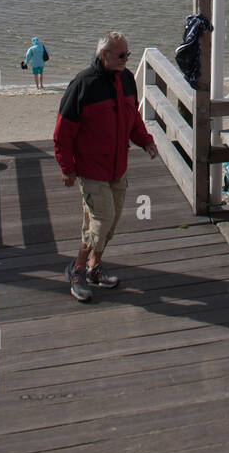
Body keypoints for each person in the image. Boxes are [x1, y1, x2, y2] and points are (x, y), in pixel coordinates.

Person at [54, 31, 158, 302]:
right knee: (101, 222)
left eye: (128, 54)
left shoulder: (126, 80)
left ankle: (94, 266)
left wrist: (145, 141)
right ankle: (76, 269)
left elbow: (132, 117)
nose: (126, 59)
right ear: (105, 56)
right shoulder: (83, 84)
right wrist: (67, 168)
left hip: (118, 167)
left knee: (108, 225)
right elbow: (63, 133)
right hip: (91, 169)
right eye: (121, 55)